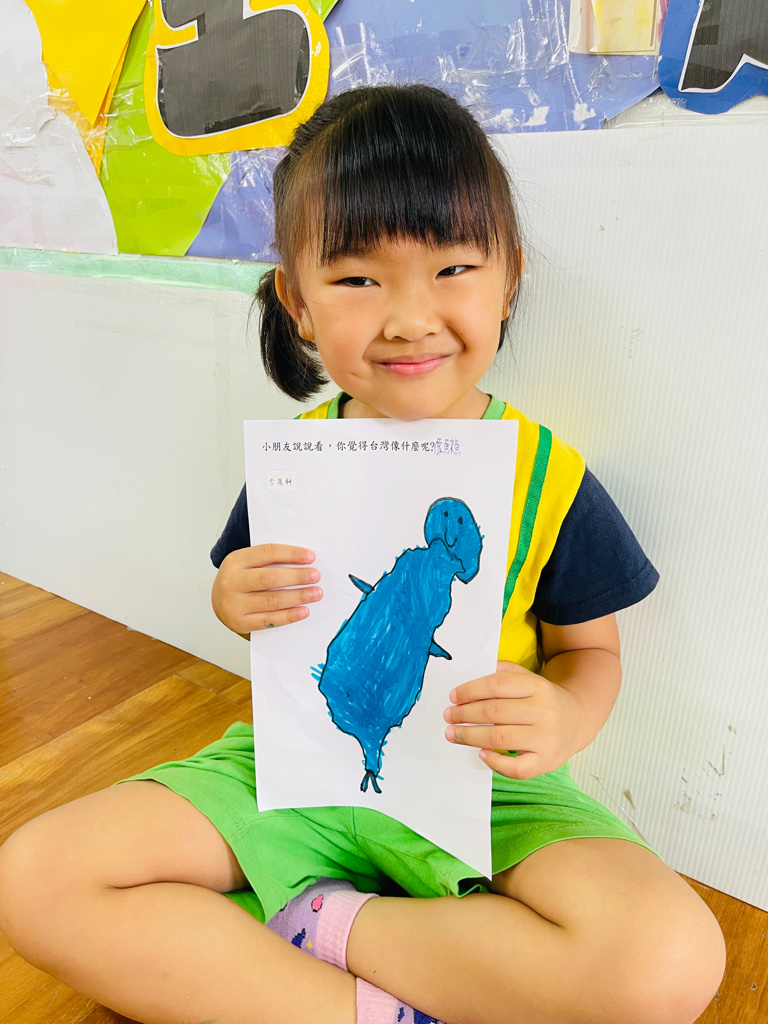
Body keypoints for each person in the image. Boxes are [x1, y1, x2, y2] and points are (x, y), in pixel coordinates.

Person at [0, 84, 724, 1024]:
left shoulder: (548, 475)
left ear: (509, 280)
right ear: (297, 303)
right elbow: (262, 609)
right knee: (37, 878)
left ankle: (320, 926)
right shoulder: (297, 463)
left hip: (487, 788)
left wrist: (564, 715)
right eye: (356, 280)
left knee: (668, 959)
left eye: (453, 268)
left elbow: (593, 651)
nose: (410, 318)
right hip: (297, 765)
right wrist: (233, 597)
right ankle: (375, 1003)